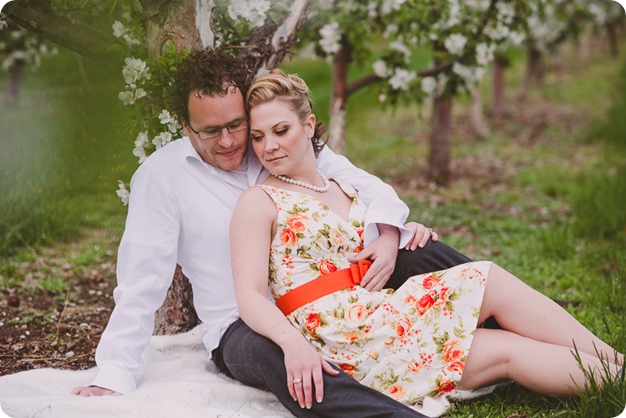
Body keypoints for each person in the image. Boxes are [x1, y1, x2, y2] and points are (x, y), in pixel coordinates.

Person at [70, 47, 474, 418]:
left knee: (415, 244)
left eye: (236, 125)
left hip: (326, 301)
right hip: (240, 325)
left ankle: (504, 320)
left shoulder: (274, 142)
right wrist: (114, 373)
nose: (228, 141)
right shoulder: (161, 178)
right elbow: (141, 280)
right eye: (210, 131)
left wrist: (388, 235)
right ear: (184, 125)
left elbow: (370, 188)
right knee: (282, 361)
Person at [230, 69, 624, 416]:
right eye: (260, 137)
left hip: (381, 313)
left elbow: (368, 236)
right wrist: (292, 345)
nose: (270, 147)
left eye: (281, 131)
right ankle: (614, 367)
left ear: (310, 125)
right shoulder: (258, 200)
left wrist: (400, 231)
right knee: (489, 291)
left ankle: (615, 369)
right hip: (339, 337)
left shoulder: (341, 187)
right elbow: (249, 296)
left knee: (502, 340)